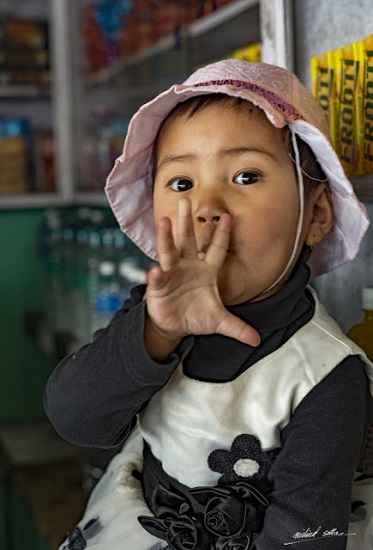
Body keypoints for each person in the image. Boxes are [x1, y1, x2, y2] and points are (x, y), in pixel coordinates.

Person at [45, 59, 373, 550]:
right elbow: (76, 421)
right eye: (181, 183)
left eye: (245, 176)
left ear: (317, 214)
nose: (206, 206)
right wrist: (154, 334)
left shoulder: (326, 377)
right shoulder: (156, 318)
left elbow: (304, 538)